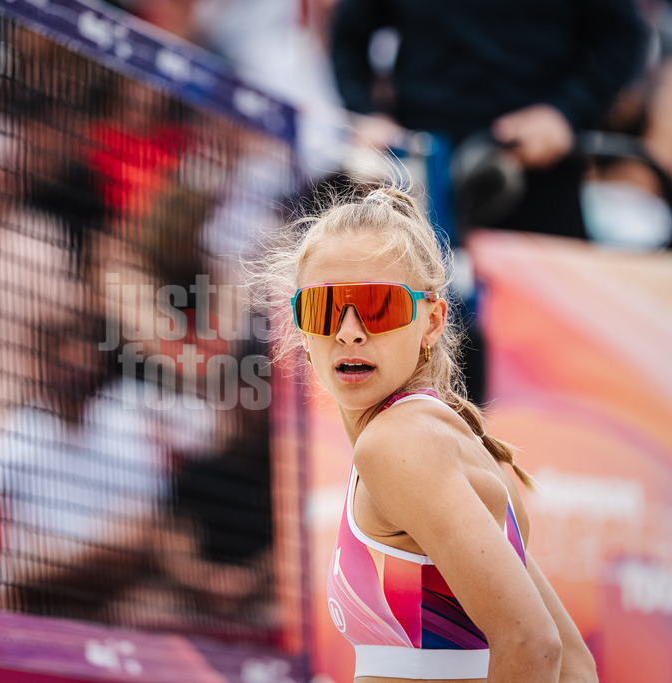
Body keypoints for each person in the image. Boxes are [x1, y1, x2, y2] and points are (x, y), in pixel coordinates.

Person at [249, 180, 596, 681]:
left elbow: (533, 644)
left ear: (432, 321)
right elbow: (575, 667)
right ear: (302, 328)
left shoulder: (398, 442)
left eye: (378, 306)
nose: (348, 331)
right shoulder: (438, 437)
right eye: (324, 308)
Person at [329, 0, 647, 240]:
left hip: (534, 175)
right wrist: (368, 115)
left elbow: (623, 37)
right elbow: (347, 36)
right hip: (418, 172)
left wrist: (563, 113)